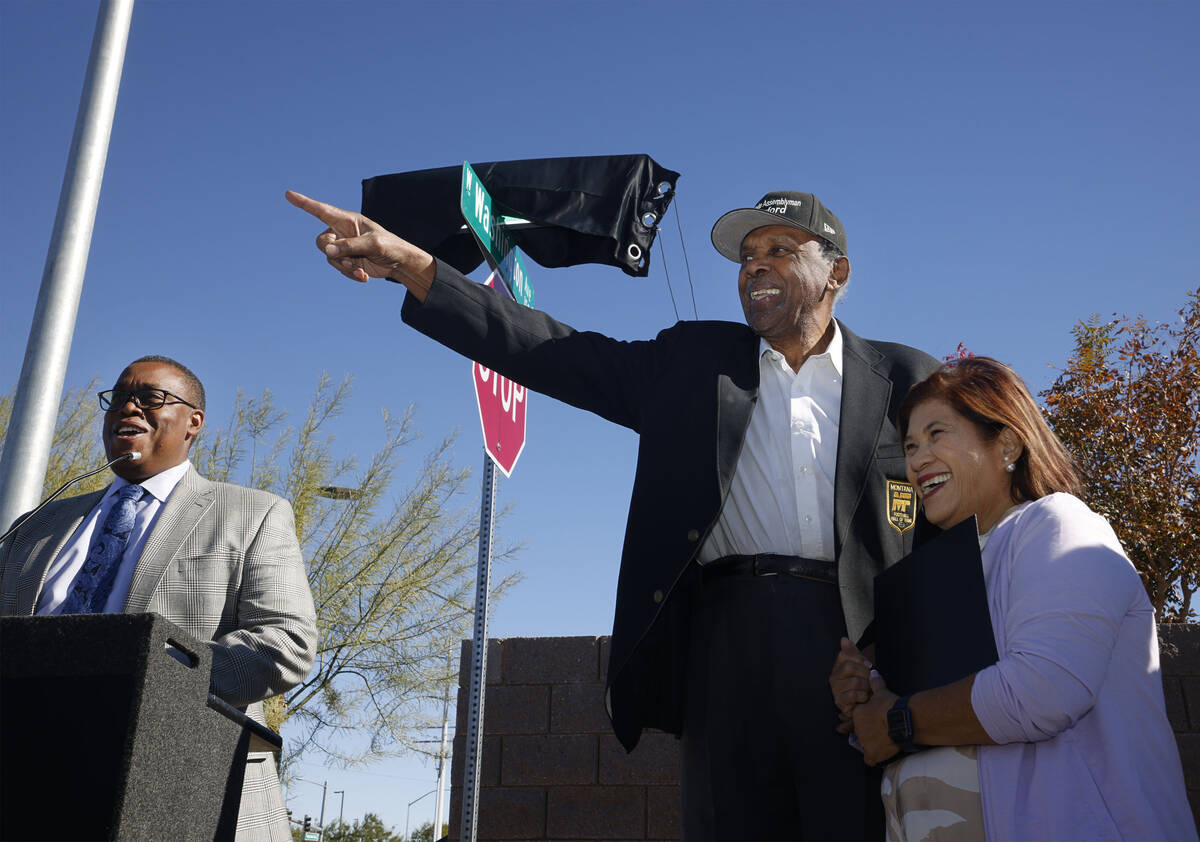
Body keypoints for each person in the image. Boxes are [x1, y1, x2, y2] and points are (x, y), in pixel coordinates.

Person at [288, 187, 940, 840]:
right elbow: (551, 351)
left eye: (778, 250)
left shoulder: (906, 379)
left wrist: (905, 663)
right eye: (745, 257)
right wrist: (409, 264)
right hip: (722, 642)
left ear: (838, 272)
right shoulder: (691, 362)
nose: (755, 267)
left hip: (856, 650)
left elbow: (945, 532)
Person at [830, 356, 1197, 842]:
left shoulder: (1060, 524)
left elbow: (1045, 690)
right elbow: (914, 712)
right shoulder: (937, 578)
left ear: (1006, 443)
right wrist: (864, 692)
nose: (916, 460)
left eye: (938, 434)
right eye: (910, 445)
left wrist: (898, 721)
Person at [0, 356, 318, 842]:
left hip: (179, 788)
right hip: (27, 777)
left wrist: (161, 684)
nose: (127, 407)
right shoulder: (38, 525)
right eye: (118, 398)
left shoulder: (252, 514)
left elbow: (285, 644)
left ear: (194, 422)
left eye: (149, 398)